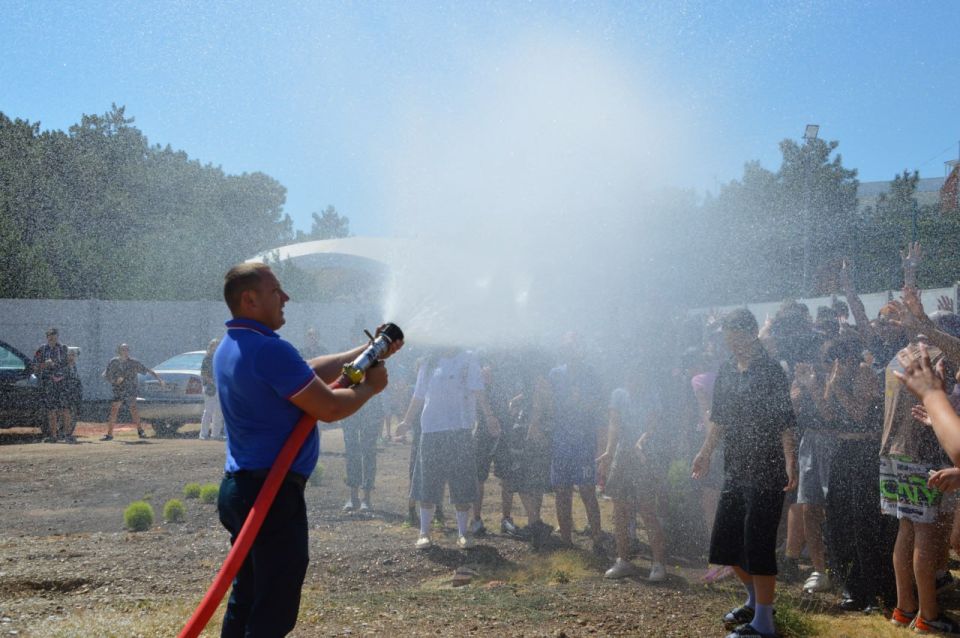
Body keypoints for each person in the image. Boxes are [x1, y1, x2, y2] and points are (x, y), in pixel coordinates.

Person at [214, 262, 401, 637]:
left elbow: (307, 369)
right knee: (274, 609)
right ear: (249, 300)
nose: (286, 297)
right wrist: (370, 388)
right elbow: (329, 407)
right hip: (270, 494)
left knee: (248, 595)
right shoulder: (269, 350)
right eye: (275, 291)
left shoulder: (232, 345)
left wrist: (370, 349)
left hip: (241, 488)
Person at [692, 308, 798, 638]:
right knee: (727, 543)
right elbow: (719, 418)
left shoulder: (771, 371)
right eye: (728, 340)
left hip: (767, 469)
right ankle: (754, 602)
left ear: (752, 334)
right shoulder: (727, 370)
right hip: (735, 467)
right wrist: (705, 452)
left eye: (737, 339)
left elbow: (785, 421)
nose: (732, 346)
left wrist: (790, 459)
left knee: (758, 543)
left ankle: (764, 624)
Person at [396, 347, 499, 550]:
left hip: (460, 429)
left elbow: (478, 390)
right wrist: (406, 422)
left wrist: (489, 416)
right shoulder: (428, 362)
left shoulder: (468, 359)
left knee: (461, 482)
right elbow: (418, 395)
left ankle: (462, 533)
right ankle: (424, 533)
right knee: (428, 482)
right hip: (431, 429)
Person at [598, 363, 667, 582]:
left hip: (644, 454)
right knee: (620, 509)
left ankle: (658, 564)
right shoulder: (618, 394)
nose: (633, 380)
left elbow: (653, 425)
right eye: (629, 375)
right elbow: (614, 424)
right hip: (622, 454)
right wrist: (609, 451)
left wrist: (643, 440)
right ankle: (623, 561)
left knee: (647, 509)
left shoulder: (652, 395)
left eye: (637, 375)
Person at [545, 333, 604, 549]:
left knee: (587, 491)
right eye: (567, 347)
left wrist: (579, 403)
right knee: (562, 491)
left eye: (575, 347)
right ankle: (566, 541)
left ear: (582, 350)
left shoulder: (591, 374)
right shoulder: (555, 374)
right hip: (561, 441)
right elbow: (550, 404)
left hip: (584, 441)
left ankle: (597, 540)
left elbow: (596, 406)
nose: (571, 351)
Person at [101, 344, 163, 440]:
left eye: (127, 349)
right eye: (123, 349)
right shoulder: (114, 362)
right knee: (114, 410)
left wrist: (159, 379)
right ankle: (109, 434)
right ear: (119, 351)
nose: (125, 351)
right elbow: (106, 375)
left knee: (133, 409)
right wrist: (115, 381)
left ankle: (140, 431)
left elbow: (147, 370)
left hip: (130, 389)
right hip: (118, 389)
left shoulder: (133, 362)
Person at [341, 393, 383, 512]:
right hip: (349, 403)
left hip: (372, 402)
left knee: (369, 451)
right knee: (351, 451)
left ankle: (366, 498)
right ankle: (353, 496)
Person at [33, 327, 71, 443]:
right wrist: (45, 364)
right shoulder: (42, 349)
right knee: (51, 409)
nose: (52, 338)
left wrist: (60, 373)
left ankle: (67, 435)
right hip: (48, 383)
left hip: (62, 382)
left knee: (65, 408)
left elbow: (68, 364)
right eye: (50, 336)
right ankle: (53, 436)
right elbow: (35, 366)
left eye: (54, 335)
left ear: (57, 336)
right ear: (47, 337)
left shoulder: (63, 348)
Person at [199, 338, 224, 441]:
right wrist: (212, 382)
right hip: (209, 387)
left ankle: (215, 434)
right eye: (215, 345)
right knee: (208, 411)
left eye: (218, 345)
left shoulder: (220, 358)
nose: (217, 347)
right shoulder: (207, 358)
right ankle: (203, 434)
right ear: (211, 347)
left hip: (219, 387)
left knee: (219, 411)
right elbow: (203, 374)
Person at [62, 347, 83, 443]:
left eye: (74, 355)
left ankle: (68, 433)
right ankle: (66, 433)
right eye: (70, 355)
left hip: (74, 393)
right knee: (66, 412)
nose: (72, 357)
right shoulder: (64, 366)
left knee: (72, 413)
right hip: (66, 392)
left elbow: (77, 380)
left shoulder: (74, 366)